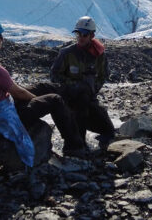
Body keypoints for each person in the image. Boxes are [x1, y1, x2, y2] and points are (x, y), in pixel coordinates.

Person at [0, 16, 87, 167]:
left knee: (42, 87)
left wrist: (37, 97)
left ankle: (70, 102)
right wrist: (37, 100)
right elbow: (19, 93)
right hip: (7, 117)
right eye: (0, 37)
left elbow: (12, 90)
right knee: (54, 99)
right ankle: (74, 147)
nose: (2, 39)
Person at [49, 16, 115, 151]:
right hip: (70, 97)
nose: (80, 37)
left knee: (108, 130)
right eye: (78, 33)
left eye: (84, 34)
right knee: (80, 112)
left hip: (89, 97)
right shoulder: (67, 53)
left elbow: (104, 75)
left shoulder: (99, 54)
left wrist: (93, 88)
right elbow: (54, 75)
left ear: (92, 35)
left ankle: (99, 145)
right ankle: (78, 144)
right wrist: (73, 85)